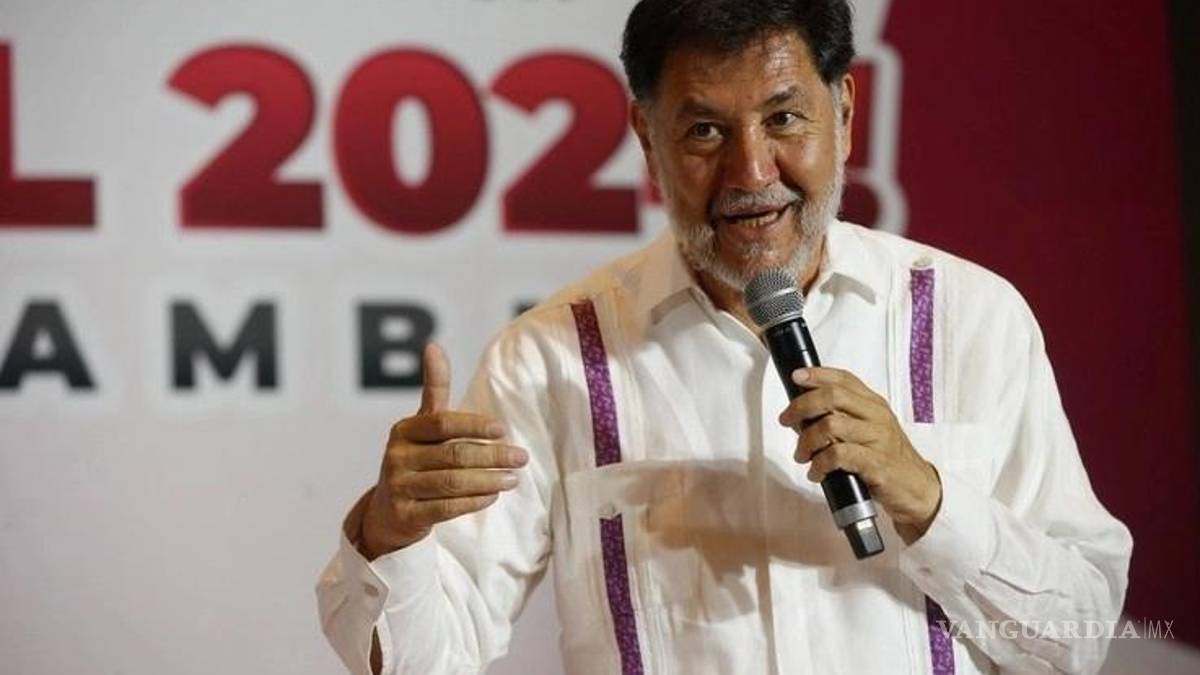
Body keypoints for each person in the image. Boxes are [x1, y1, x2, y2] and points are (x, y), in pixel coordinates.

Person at [317, 1, 1133, 673]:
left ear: (846, 112)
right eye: (705, 131)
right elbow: (424, 660)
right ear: (646, 139)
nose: (752, 173)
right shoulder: (551, 357)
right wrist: (391, 535)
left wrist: (927, 496)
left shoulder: (971, 317)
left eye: (784, 118)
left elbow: (1082, 635)